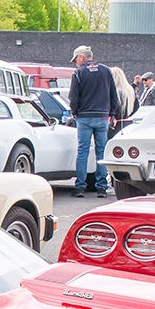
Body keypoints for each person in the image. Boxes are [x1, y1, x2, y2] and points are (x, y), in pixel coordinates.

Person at [66, 45, 113, 197]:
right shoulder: (106, 70)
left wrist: (74, 113)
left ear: (81, 57)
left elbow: (73, 97)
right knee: (102, 152)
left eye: (76, 60)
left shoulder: (78, 73)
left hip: (84, 117)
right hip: (102, 116)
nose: (76, 63)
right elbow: (114, 94)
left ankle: (80, 186)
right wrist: (112, 113)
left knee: (83, 152)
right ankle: (101, 188)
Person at [109, 66, 135, 135]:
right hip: (128, 123)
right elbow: (136, 106)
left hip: (114, 126)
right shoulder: (130, 91)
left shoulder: (112, 92)